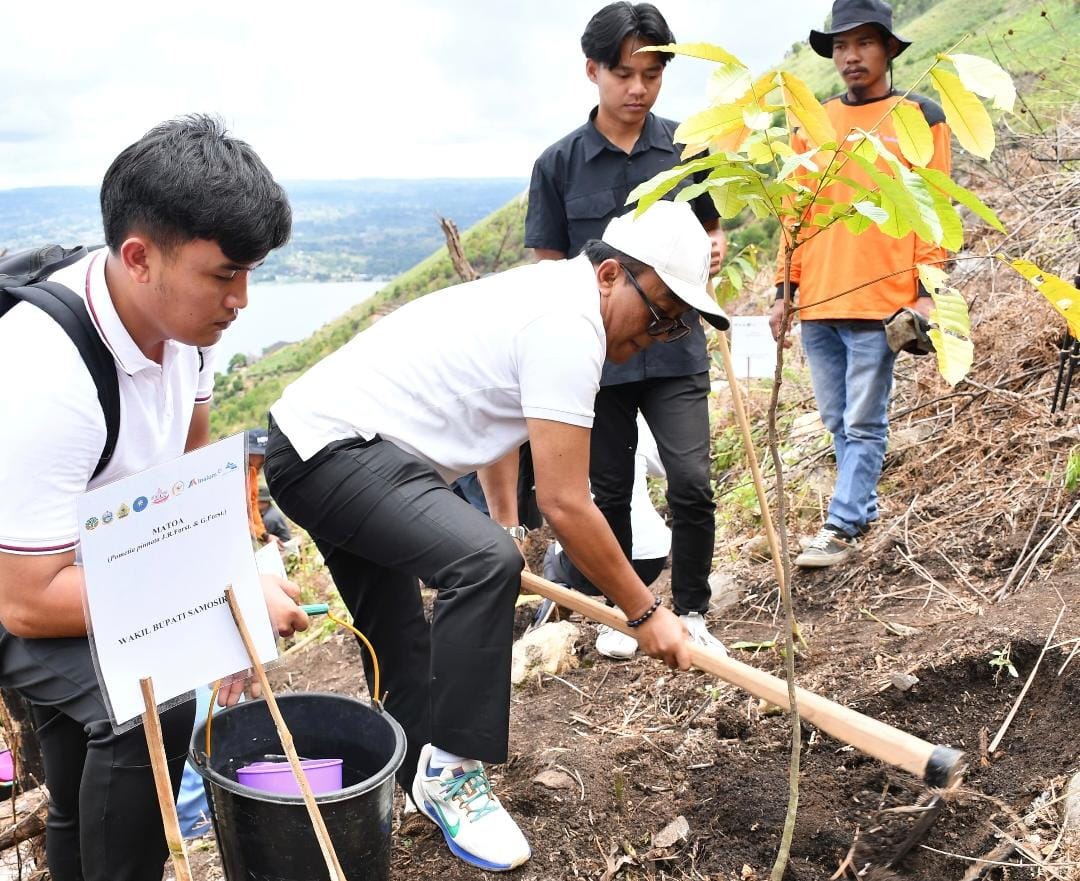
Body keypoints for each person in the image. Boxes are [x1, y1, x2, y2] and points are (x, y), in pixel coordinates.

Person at [265, 200, 728, 872]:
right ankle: (453, 772)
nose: (661, 334)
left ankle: (415, 780)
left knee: (398, 629)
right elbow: (567, 503)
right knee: (483, 563)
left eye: (677, 323)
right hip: (337, 450)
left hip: (324, 444)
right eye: (659, 312)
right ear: (610, 275)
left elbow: (492, 415)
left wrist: (502, 520)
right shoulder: (568, 325)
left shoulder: (552, 300)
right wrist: (645, 611)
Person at [0, 115, 309, 881]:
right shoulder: (47, 375)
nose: (241, 299)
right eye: (224, 274)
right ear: (139, 257)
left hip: (89, 559)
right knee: (151, 705)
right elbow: (26, 605)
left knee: (79, 785)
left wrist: (229, 609)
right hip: (22, 578)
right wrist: (218, 602)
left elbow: (185, 482)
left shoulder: (185, 330)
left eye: (250, 273)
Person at [525, 1, 728, 660]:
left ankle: (692, 609)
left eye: (652, 75)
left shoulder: (687, 150)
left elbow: (712, 230)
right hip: (596, 358)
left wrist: (714, 250)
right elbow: (548, 269)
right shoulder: (558, 165)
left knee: (691, 480)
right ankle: (624, 612)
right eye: (623, 74)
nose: (638, 89)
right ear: (593, 71)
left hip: (675, 345)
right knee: (608, 489)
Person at [768, 0, 952, 568]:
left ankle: (842, 527)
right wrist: (784, 290)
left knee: (863, 421)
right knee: (835, 420)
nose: (851, 56)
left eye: (864, 42)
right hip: (820, 300)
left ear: (890, 48)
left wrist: (927, 291)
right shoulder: (814, 123)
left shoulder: (921, 117)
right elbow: (794, 210)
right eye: (841, 45)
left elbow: (935, 210)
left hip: (882, 299)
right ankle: (861, 508)